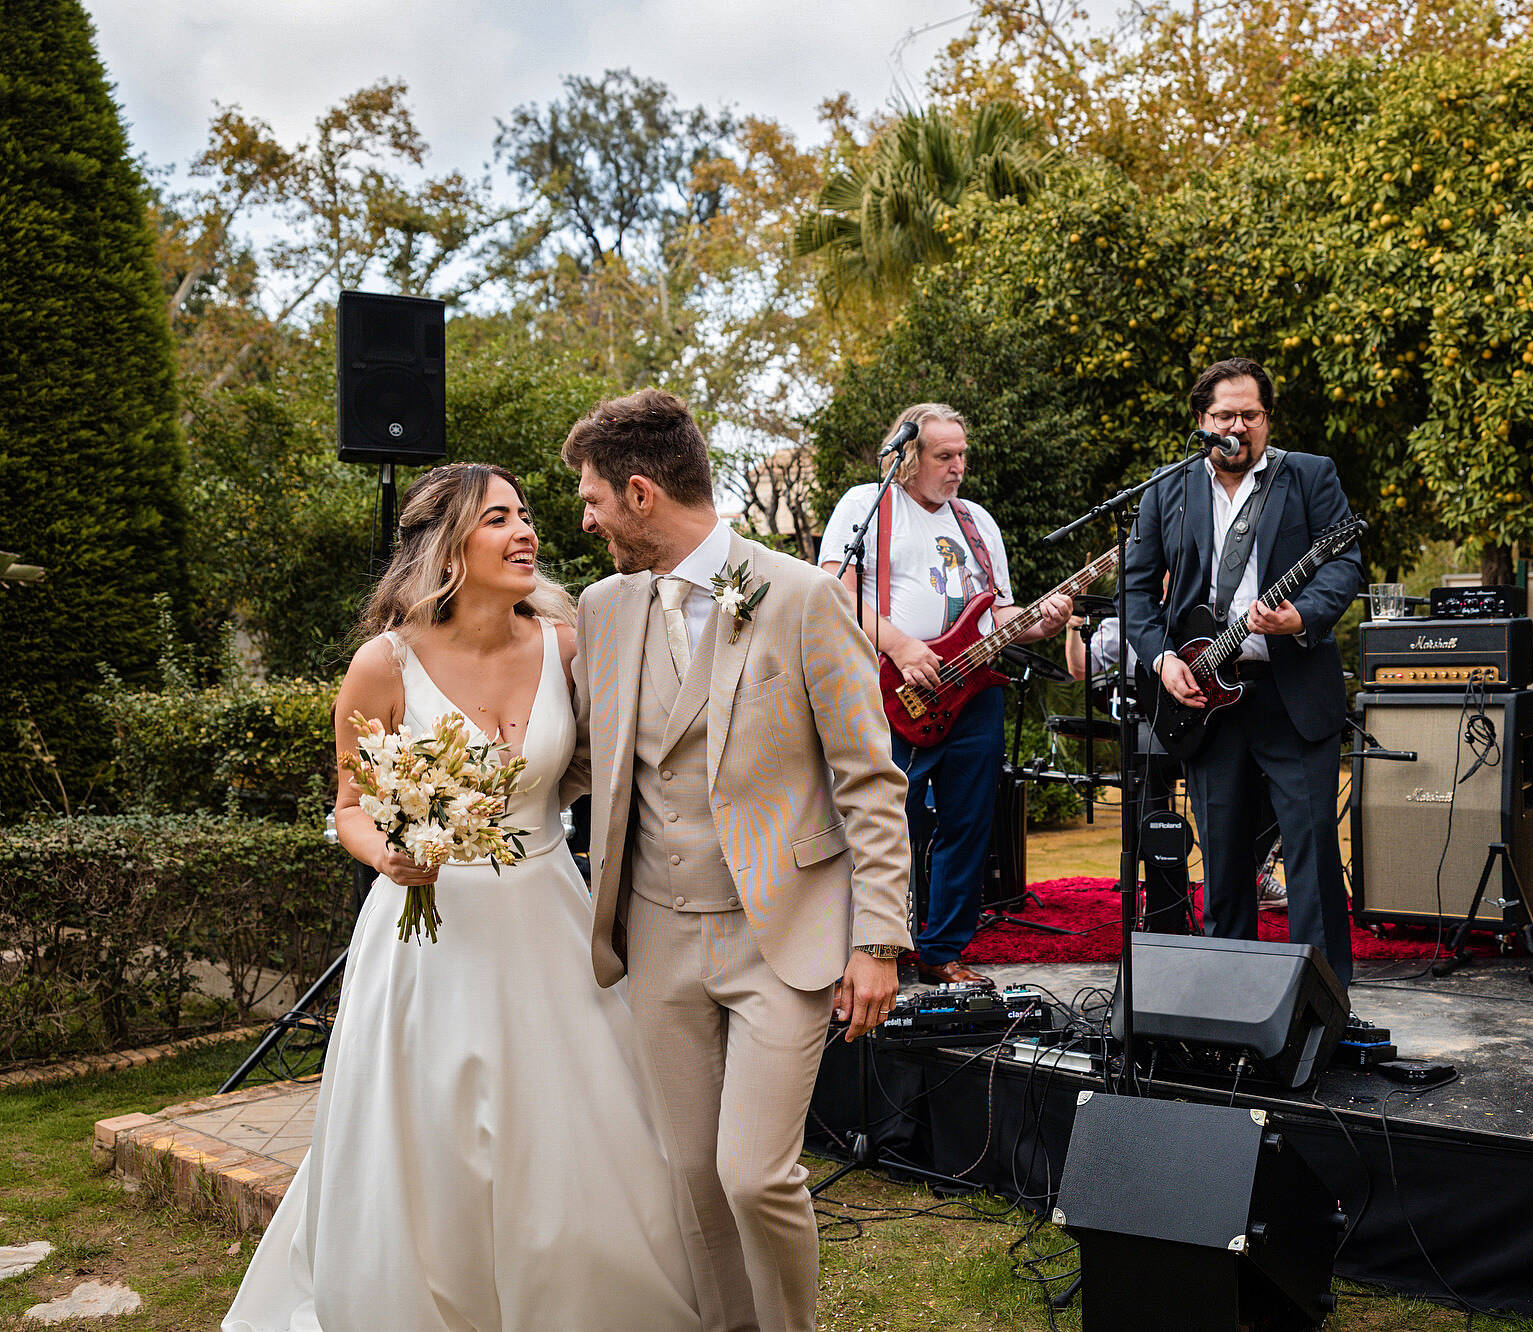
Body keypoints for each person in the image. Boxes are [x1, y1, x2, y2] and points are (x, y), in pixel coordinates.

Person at [226, 463, 701, 1332]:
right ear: (448, 546)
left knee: (572, 1126)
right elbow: (349, 806)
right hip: (427, 939)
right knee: (431, 1136)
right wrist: (389, 855)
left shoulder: (566, 647)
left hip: (549, 921)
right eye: (498, 519)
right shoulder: (385, 664)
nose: (526, 532)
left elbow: (623, 761)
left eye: (525, 515)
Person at [562, 388, 912, 1332]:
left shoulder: (801, 598)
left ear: (641, 494)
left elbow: (869, 781)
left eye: (593, 499)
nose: (586, 521)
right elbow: (584, 757)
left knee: (753, 1174)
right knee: (692, 1176)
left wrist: (878, 939)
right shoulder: (602, 609)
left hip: (781, 934)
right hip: (656, 934)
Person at [1122, 357, 1365, 984]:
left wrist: (1301, 616)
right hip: (1204, 700)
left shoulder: (1309, 475)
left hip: (1291, 695)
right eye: (1225, 415)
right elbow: (1136, 593)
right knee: (1224, 862)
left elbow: (1345, 565)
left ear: (1267, 419)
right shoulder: (1167, 489)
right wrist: (1162, 660)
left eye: (1250, 415)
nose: (1238, 426)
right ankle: (1228, 999)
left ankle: (1322, 1004)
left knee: (1311, 856)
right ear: (1202, 421)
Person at [819, 403, 1069, 987]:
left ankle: (942, 951)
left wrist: (1041, 623)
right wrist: (901, 646)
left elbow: (999, 613)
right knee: (885, 822)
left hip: (973, 692)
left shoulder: (976, 521)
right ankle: (871, 948)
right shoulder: (867, 504)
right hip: (890, 688)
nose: (958, 467)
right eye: (944, 456)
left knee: (969, 822)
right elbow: (835, 593)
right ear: (908, 456)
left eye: (962, 455)